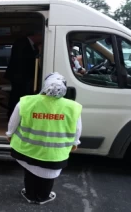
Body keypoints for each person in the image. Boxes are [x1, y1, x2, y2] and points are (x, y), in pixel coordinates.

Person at [6, 72, 82, 205]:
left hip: (28, 149)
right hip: (55, 154)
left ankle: (30, 195)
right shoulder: (73, 107)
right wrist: (75, 142)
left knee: (29, 171)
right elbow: (77, 129)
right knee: (48, 176)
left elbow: (13, 122)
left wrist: (9, 134)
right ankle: (42, 197)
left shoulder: (26, 101)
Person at [4, 30, 43, 119]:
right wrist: (38, 50)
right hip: (19, 76)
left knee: (19, 95)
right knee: (17, 96)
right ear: (36, 35)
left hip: (22, 76)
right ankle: (12, 115)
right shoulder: (21, 43)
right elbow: (26, 60)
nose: (41, 38)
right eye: (41, 35)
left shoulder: (29, 44)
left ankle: (17, 115)